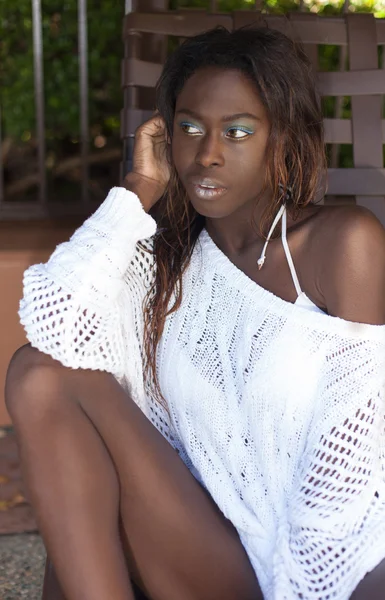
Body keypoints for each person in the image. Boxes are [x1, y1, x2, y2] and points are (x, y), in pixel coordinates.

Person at [5, 25, 385, 600]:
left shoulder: (343, 243)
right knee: (37, 372)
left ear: (279, 139)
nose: (207, 154)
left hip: (305, 562)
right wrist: (138, 188)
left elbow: (359, 457)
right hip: (200, 546)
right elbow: (51, 324)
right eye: (189, 128)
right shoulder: (165, 262)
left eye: (237, 131)